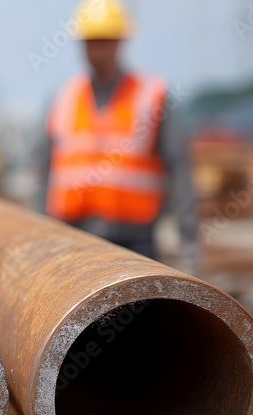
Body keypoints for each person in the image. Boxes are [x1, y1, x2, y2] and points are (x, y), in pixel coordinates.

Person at [39, 0, 198, 263]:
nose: (97, 50)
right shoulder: (64, 98)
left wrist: (188, 238)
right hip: (73, 238)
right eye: (91, 41)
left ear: (119, 41)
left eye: (104, 40)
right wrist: (40, 232)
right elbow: (45, 170)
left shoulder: (150, 95)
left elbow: (179, 166)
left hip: (134, 243)